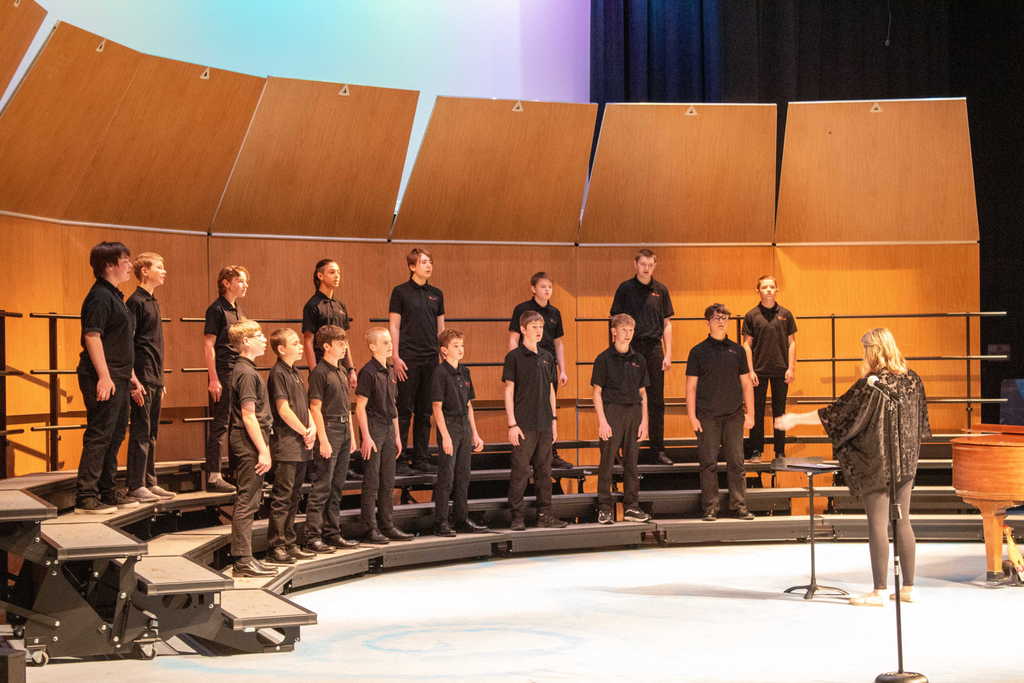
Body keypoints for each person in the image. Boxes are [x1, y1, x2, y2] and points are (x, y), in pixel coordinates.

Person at [775, 328, 931, 606]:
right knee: (903, 520)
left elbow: (836, 414)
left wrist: (795, 419)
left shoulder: (873, 383)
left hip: (878, 462)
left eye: (864, 350)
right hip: (907, 461)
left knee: (878, 524)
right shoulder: (913, 379)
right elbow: (921, 422)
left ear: (873, 350)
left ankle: (879, 591)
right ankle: (908, 588)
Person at [75, 242, 146, 513]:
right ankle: (86, 497)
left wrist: (131, 376)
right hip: (103, 376)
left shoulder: (115, 296)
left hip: (119, 375)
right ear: (109, 265)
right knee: (100, 434)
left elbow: (119, 341)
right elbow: (92, 336)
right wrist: (104, 377)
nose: (130, 265)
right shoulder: (100, 297)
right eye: (125, 261)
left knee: (115, 434)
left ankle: (107, 491)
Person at [685, 304, 756, 522]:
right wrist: (692, 416)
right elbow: (691, 387)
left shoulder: (738, 351)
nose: (721, 322)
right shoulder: (697, 352)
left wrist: (751, 414)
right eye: (717, 318)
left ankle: (739, 506)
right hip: (707, 416)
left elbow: (746, 384)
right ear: (708, 322)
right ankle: (710, 507)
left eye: (725, 318)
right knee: (708, 464)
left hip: (734, 415)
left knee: (737, 463)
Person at [502, 311, 567, 530]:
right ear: (523, 329)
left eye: (541, 327)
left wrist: (554, 420)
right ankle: (517, 517)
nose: (539, 331)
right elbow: (509, 391)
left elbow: (551, 390)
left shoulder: (547, 356)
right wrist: (512, 423)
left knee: (544, 472)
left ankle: (545, 515)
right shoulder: (514, 357)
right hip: (523, 424)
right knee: (520, 472)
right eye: (534, 327)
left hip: (545, 423)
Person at [611, 249, 674, 465]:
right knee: (627, 399)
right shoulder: (625, 288)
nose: (646, 268)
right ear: (635, 264)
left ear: (654, 266)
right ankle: (622, 450)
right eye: (643, 264)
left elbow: (667, 324)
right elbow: (614, 320)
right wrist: (617, 350)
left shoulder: (661, 290)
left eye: (650, 264)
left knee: (656, 400)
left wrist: (668, 353)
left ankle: (658, 450)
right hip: (630, 348)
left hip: (654, 349)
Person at [225, 320, 276, 577]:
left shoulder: (247, 369)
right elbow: (248, 415)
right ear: (245, 341)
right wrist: (263, 450)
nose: (264, 340)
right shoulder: (246, 373)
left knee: (252, 499)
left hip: (251, 441)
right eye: (259, 336)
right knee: (247, 500)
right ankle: (243, 560)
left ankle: (247, 557)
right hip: (248, 443)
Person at [355, 327, 414, 544]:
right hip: (373, 427)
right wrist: (366, 436)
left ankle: (387, 525)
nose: (390, 346)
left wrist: (397, 435)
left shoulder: (389, 370)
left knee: (388, 480)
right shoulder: (368, 372)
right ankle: (369, 528)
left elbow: (393, 405)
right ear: (373, 346)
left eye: (390, 341)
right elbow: (360, 407)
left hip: (389, 428)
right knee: (372, 481)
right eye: (385, 342)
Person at [508, 272, 572, 469]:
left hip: (547, 364)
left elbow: (558, 343)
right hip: (526, 364)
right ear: (533, 288)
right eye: (543, 286)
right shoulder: (522, 309)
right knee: (525, 408)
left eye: (550, 287)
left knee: (548, 408)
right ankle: (525, 453)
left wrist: (562, 369)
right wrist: (516, 362)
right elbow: (513, 338)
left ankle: (551, 453)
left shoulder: (555, 313)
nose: (547, 290)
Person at [389, 248, 444, 475]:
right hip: (407, 359)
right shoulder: (400, 292)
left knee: (425, 411)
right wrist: (395, 356)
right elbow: (394, 325)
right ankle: (399, 460)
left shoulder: (437, 294)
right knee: (404, 410)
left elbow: (441, 328)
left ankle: (421, 458)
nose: (428, 265)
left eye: (430, 261)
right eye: (423, 262)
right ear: (412, 267)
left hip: (431, 359)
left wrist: (443, 356)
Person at [264, 328, 317, 566]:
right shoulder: (278, 373)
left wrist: (312, 427)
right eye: (295, 343)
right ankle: (276, 546)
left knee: (295, 497)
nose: (300, 346)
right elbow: (283, 410)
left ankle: (290, 542)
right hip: (287, 444)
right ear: (281, 349)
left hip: (301, 444)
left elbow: (304, 406)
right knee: (282, 497)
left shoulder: (295, 372)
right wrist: (304, 431)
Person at [126, 252, 175, 503]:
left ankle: (149, 481)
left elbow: (155, 345)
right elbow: (127, 343)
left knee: (152, 432)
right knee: (141, 431)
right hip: (141, 376)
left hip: (154, 377)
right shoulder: (135, 301)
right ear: (144, 271)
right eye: (159, 266)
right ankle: (136, 484)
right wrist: (133, 380)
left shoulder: (152, 301)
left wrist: (160, 379)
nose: (164, 271)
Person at [306, 325, 360, 552]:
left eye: (345, 343)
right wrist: (324, 439)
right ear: (327, 346)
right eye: (339, 344)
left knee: (337, 486)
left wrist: (352, 436)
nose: (344, 347)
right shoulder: (319, 372)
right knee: (322, 487)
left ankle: (332, 533)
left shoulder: (341, 370)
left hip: (344, 429)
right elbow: (315, 408)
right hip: (329, 430)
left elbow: (346, 406)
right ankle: (313, 537)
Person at [592, 314, 651, 525]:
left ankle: (631, 507)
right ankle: (604, 508)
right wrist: (602, 421)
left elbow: (643, 393)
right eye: (624, 330)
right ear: (614, 331)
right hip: (612, 412)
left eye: (631, 330)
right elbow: (597, 392)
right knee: (607, 463)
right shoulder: (603, 359)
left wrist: (644, 422)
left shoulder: (639, 359)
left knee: (632, 464)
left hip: (634, 413)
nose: (628, 334)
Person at [431, 329, 486, 536]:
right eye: (455, 346)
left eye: (462, 345)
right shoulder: (440, 373)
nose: (461, 349)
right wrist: (445, 435)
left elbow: (469, 405)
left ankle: (461, 518)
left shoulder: (465, 371)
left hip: (464, 425)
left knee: (463, 475)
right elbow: (437, 407)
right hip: (449, 425)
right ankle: (441, 522)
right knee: (447, 476)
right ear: (444, 350)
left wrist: (475, 433)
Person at [202, 265, 250, 493]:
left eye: (246, 281)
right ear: (227, 283)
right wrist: (213, 378)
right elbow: (208, 345)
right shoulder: (216, 309)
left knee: (237, 423)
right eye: (240, 281)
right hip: (223, 370)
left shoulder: (237, 309)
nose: (245, 285)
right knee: (221, 423)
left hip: (238, 369)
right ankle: (214, 475)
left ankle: (235, 472)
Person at [742, 275, 797, 465]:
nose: (768, 290)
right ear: (758, 290)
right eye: (764, 287)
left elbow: (792, 343)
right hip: (758, 371)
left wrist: (791, 368)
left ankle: (780, 451)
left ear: (776, 290)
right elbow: (746, 345)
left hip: (781, 370)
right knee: (755, 411)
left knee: (779, 411)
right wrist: (750, 371)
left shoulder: (786, 314)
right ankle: (756, 450)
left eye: (772, 287)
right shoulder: (751, 315)